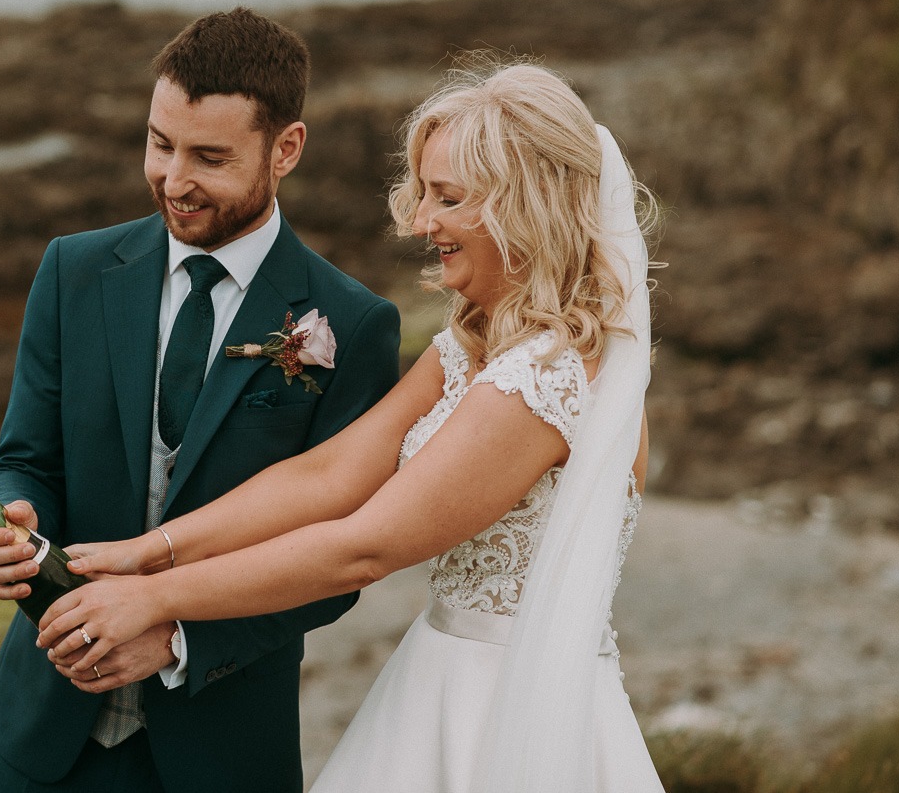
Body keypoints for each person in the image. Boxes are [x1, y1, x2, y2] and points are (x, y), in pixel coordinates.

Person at [35, 61, 666, 792]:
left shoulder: (545, 379)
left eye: (448, 198)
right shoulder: (474, 345)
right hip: (437, 671)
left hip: (507, 709)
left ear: (525, 206)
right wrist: (148, 551)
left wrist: (154, 599)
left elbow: (363, 547)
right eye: (424, 192)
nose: (422, 220)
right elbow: (328, 475)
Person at [0, 7, 402, 793]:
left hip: (222, 753)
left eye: (209, 156)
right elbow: (24, 458)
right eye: (160, 144)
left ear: (286, 149)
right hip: (44, 738)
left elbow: (337, 564)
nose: (173, 179)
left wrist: (176, 638)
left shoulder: (355, 323)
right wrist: (12, 518)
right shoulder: (73, 270)